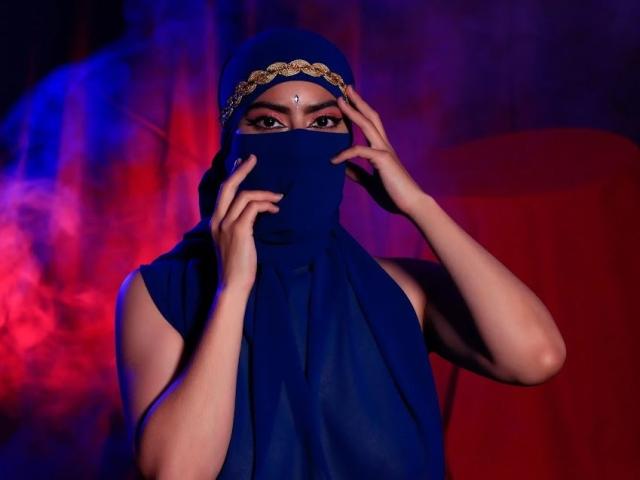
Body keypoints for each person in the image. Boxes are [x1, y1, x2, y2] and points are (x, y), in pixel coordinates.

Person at [115, 27, 566, 479]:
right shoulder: (163, 294)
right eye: (269, 123)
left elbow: (537, 356)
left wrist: (418, 205)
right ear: (231, 143)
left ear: (353, 139)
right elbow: (176, 473)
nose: (299, 142)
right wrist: (233, 291)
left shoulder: (397, 292)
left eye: (323, 122)